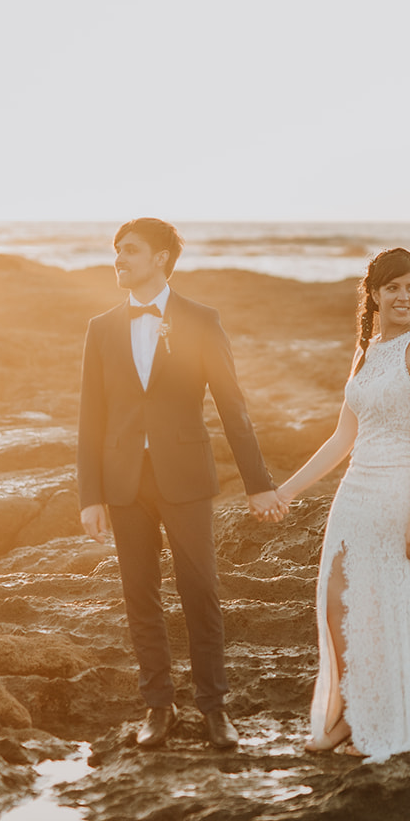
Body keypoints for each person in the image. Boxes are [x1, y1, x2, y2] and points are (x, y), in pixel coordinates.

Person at [78, 218, 286, 750]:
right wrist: (90, 496)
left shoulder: (200, 320)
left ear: (162, 259)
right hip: (124, 482)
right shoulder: (101, 328)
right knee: (139, 595)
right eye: (116, 250)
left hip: (187, 478)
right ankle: (158, 708)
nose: (119, 259)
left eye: (130, 251)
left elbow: (232, 406)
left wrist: (258, 483)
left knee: (202, 592)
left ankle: (215, 709)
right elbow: (91, 418)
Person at [274, 247, 410, 760]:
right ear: (373, 294)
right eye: (394, 287)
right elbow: (341, 439)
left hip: (400, 488)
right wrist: (287, 490)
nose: (404, 297)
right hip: (356, 487)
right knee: (336, 600)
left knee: (382, 602)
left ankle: (367, 720)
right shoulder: (366, 349)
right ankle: (353, 708)